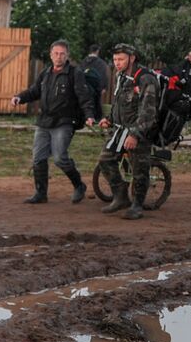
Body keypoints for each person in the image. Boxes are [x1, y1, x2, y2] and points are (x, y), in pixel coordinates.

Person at [11, 40, 97, 204]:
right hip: (44, 121)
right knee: (38, 157)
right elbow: (34, 91)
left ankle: (79, 185)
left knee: (59, 158)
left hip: (64, 121)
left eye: (62, 54)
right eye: (56, 53)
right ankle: (41, 194)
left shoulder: (74, 73)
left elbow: (83, 96)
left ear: (67, 56)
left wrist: (89, 115)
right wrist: (19, 97)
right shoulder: (46, 73)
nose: (59, 57)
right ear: (51, 55)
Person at [97, 43, 160, 220]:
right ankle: (121, 197)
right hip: (121, 130)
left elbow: (149, 112)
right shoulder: (121, 76)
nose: (117, 63)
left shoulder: (145, 78)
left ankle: (137, 206)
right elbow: (119, 102)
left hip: (140, 132)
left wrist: (135, 135)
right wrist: (109, 119)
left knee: (139, 170)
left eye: (121, 59)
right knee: (105, 160)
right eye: (115, 59)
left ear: (132, 58)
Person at [83, 44, 110, 115]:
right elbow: (103, 75)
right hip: (97, 88)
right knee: (96, 103)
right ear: (97, 51)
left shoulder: (83, 62)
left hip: (84, 87)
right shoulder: (101, 63)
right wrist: (104, 87)